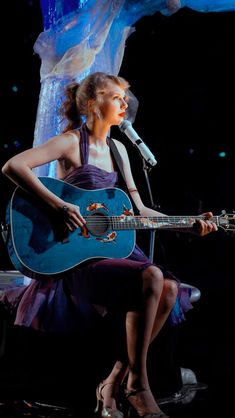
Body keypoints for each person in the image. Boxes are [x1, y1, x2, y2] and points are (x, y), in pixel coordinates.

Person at [0, 72, 217, 418]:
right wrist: (58, 205)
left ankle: (114, 382)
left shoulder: (119, 149)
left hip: (114, 250)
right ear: (91, 104)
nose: (123, 104)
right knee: (152, 278)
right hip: (78, 256)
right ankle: (138, 387)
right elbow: (14, 165)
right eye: (115, 97)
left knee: (171, 289)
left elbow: (139, 211)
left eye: (124, 97)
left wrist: (187, 224)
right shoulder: (71, 142)